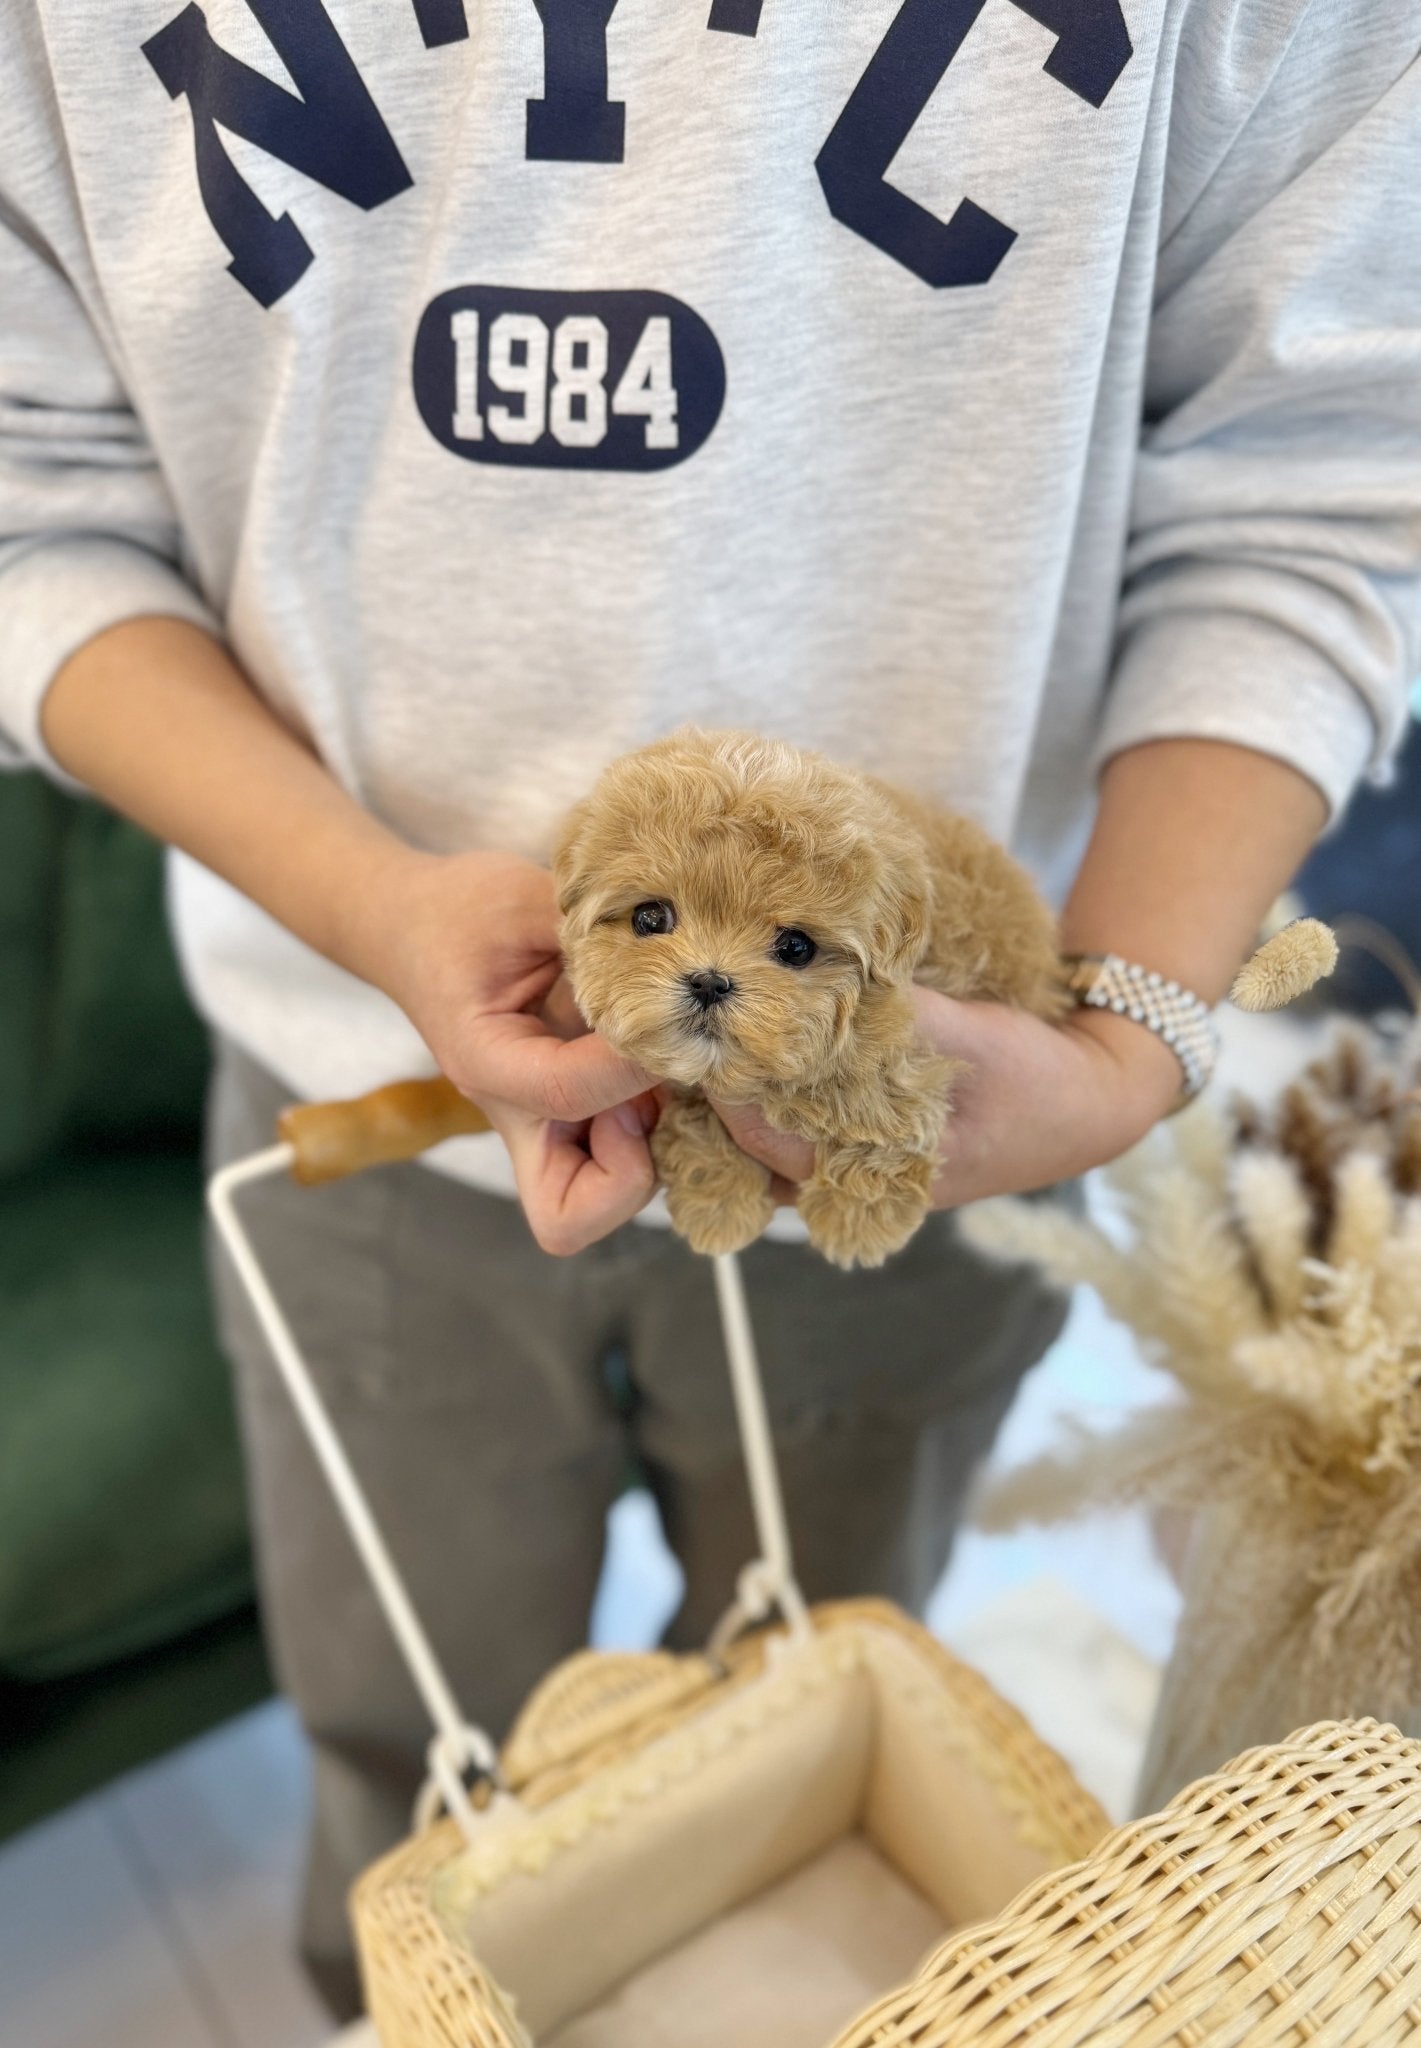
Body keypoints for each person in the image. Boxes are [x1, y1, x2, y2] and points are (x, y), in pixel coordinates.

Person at [3, 0, 1417, 2016]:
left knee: (842, 1715)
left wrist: (1123, 1039)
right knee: (409, 1777)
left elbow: (1323, 470)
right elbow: (37, 495)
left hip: (930, 1114)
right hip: (362, 1101)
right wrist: (375, 904)